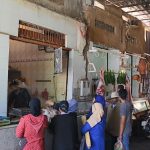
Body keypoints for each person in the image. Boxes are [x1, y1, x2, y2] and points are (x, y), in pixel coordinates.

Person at [81, 69, 106, 150]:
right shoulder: (101, 102)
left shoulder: (97, 110)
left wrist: (83, 128)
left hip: (94, 142)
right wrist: (102, 78)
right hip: (99, 140)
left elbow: (85, 128)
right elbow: (99, 92)